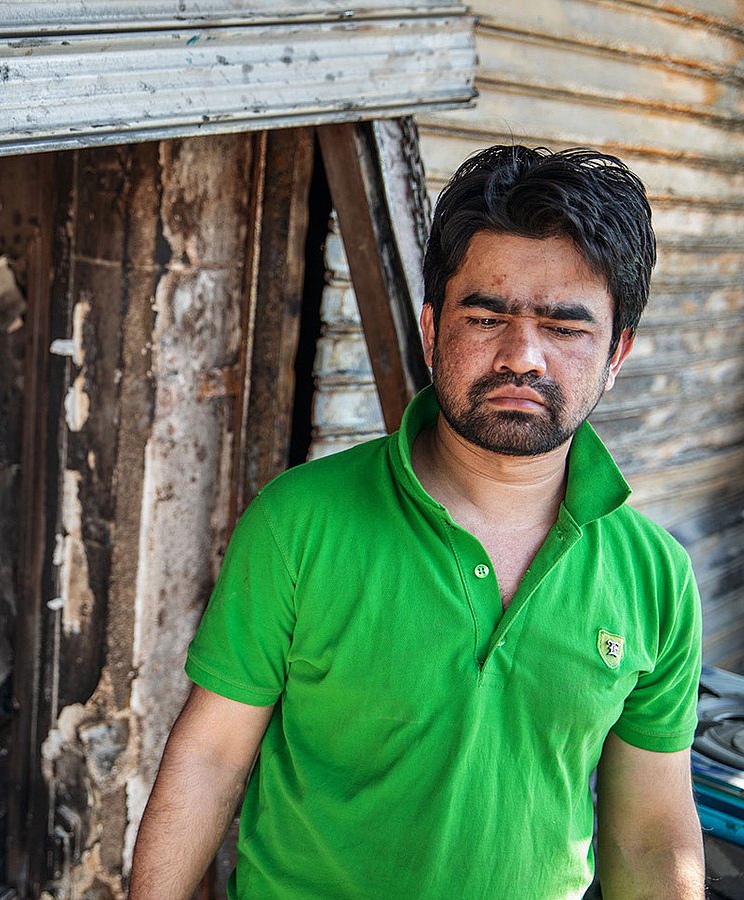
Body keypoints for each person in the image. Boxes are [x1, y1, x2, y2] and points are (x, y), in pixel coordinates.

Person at [129, 145, 704, 899]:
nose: (522, 355)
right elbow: (211, 758)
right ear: (433, 330)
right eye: (488, 314)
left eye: (566, 328)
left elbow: (653, 831)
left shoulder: (655, 576)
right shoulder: (299, 522)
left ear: (617, 352)